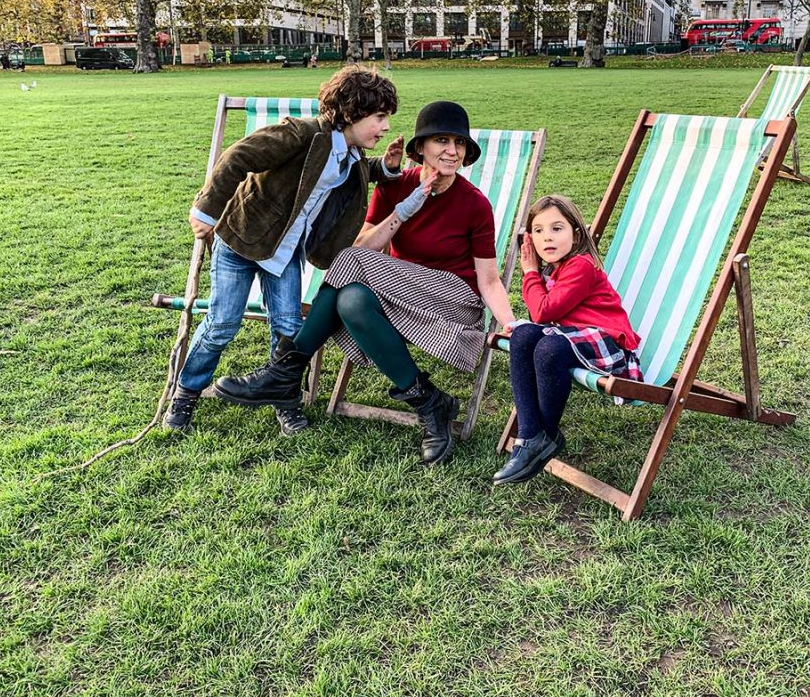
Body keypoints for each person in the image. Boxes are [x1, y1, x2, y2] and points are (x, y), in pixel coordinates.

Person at [215, 101, 517, 466]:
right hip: (398, 295)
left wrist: (509, 322)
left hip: (452, 300)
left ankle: (285, 371)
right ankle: (430, 402)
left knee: (348, 260)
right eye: (441, 140)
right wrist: (406, 209)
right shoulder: (395, 186)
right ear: (420, 148)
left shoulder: (474, 204)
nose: (452, 151)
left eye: (460, 143)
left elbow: (488, 279)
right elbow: (364, 248)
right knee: (351, 300)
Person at [165, 66, 405, 437]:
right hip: (241, 240)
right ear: (351, 112)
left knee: (289, 328)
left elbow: (345, 172)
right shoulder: (301, 134)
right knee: (222, 324)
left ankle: (285, 398)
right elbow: (239, 156)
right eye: (379, 117)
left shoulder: (352, 153)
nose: (386, 126)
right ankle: (186, 393)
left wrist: (385, 168)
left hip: (284, 251)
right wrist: (206, 210)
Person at [493, 196, 642, 485]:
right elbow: (541, 318)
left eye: (557, 228)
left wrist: (530, 272)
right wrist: (537, 277)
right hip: (573, 340)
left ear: (576, 234)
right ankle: (529, 436)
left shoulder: (581, 266)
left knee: (548, 347)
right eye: (538, 230)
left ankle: (545, 434)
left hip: (608, 346)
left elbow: (542, 311)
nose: (547, 237)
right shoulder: (555, 269)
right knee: (523, 336)